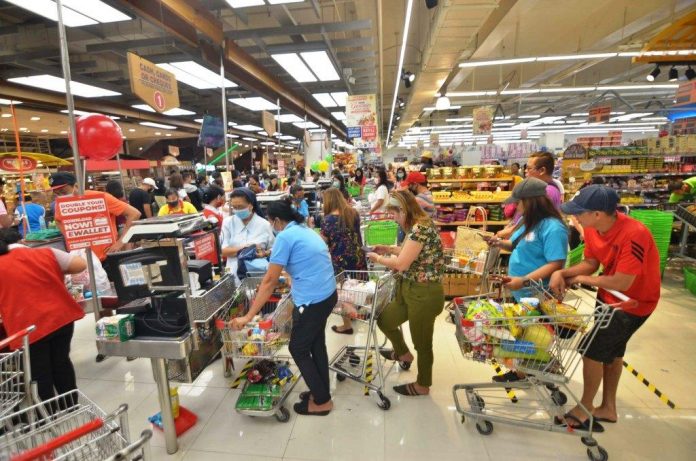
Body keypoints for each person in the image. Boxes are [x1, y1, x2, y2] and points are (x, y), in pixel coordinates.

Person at [549, 185, 660, 431]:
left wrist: (580, 280)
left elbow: (623, 281)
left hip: (633, 303)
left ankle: (584, 409)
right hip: (609, 297)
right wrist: (564, 273)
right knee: (614, 352)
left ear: (598, 213)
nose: (575, 217)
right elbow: (591, 263)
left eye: (579, 212)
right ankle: (608, 407)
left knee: (591, 350)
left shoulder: (634, 234)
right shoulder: (592, 229)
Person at [230, 198, 337, 416]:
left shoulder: (285, 237)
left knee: (297, 348)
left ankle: (323, 401)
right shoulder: (303, 229)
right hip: (327, 294)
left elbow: (269, 280)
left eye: (271, 222)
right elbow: (303, 259)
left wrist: (249, 316)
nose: (271, 226)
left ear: (277, 220)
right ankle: (320, 391)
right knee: (316, 345)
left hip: (312, 301)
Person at [485, 178, 569, 382]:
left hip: (538, 294)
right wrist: (498, 243)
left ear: (531, 201)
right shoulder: (530, 222)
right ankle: (521, 371)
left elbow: (556, 262)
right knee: (521, 332)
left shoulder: (553, 227)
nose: (517, 206)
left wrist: (523, 281)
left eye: (519, 202)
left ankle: (541, 370)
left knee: (536, 335)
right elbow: (515, 245)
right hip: (521, 292)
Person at [367, 190, 445, 396]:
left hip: (424, 294)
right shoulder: (416, 226)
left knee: (422, 342)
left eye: (395, 213)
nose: (393, 217)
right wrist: (389, 249)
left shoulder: (420, 229)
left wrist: (378, 259)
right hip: (408, 289)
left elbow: (402, 263)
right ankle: (403, 354)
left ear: (404, 210)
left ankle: (423, 384)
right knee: (385, 320)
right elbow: (410, 251)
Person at [0, 228, 86, 402]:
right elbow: (80, 265)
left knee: (39, 372)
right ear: (22, 240)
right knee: (61, 361)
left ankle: (48, 414)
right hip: (61, 318)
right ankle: (70, 405)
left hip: (28, 327)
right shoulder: (47, 253)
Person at [51, 173, 140, 260]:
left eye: (64, 192)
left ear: (76, 186)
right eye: (57, 194)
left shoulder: (99, 197)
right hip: (81, 260)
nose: (61, 196)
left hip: (107, 258)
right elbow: (58, 220)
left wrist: (120, 243)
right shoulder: (61, 204)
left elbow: (134, 214)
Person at [320, 188, 367, 335]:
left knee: (343, 291)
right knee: (358, 285)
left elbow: (323, 243)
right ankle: (360, 311)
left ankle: (347, 325)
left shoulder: (327, 220)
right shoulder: (353, 213)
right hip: (358, 256)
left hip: (340, 260)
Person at [220, 188, 274, 284]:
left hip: (258, 275)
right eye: (234, 207)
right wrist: (245, 249)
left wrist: (265, 253)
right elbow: (224, 251)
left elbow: (274, 248)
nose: (237, 210)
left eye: (240, 207)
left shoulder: (264, 225)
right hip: (233, 275)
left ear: (251, 205)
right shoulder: (228, 223)